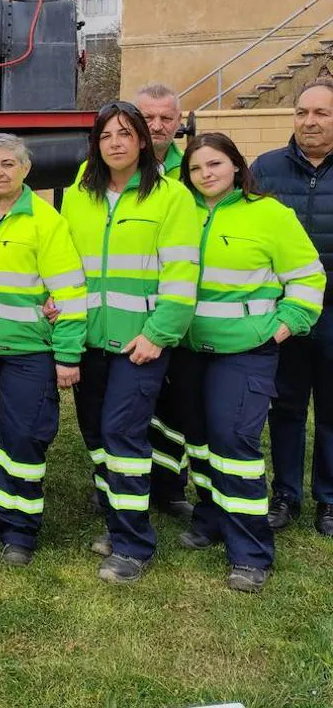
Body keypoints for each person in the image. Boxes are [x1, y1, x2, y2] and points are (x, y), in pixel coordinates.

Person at [171, 132, 324, 592]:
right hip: (187, 349)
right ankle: (211, 517)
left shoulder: (270, 214)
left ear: (237, 166)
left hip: (246, 351)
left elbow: (307, 275)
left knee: (234, 445)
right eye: (196, 168)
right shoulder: (181, 213)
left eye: (215, 164)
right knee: (197, 441)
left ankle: (250, 551)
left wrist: (285, 324)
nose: (206, 175)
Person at [61, 100, 200, 584]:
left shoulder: (170, 197)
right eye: (105, 135)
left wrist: (158, 334)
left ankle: (133, 543)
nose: (115, 142)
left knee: (123, 436)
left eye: (125, 133)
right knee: (97, 436)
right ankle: (116, 519)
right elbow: (67, 266)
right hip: (86, 338)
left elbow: (183, 275)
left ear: (143, 140)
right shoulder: (80, 192)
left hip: (139, 342)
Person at [0, 133, 87, 565]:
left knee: (23, 438)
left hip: (27, 351)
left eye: (8, 164)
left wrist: (66, 356)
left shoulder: (46, 222)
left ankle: (22, 530)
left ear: (26, 170)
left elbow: (69, 293)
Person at [251, 77, 333, 535]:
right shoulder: (265, 169)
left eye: (320, 113)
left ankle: (329, 498)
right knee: (284, 407)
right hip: (283, 312)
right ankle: (285, 495)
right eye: (302, 113)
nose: (309, 122)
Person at [134, 83, 193, 521]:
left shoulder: (192, 169)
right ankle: (117, 485)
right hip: (125, 315)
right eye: (147, 117)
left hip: (177, 312)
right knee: (124, 410)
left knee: (176, 405)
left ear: (179, 122)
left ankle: (170, 487)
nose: (156, 126)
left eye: (165, 118)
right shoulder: (102, 171)